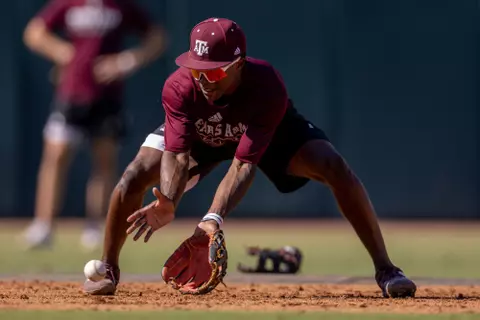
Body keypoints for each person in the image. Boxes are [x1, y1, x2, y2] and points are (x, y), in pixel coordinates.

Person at [83, 17, 417, 298]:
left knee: (334, 166)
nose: (202, 80)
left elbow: (243, 164)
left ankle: (386, 269)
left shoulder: (266, 86)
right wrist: (169, 200)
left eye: (213, 72)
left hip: (265, 130)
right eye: (196, 69)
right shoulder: (180, 87)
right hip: (203, 135)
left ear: (239, 65)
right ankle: (108, 268)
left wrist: (212, 220)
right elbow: (177, 153)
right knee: (133, 176)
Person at [21, 0, 166, 251]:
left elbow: (157, 38)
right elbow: (34, 32)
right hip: (71, 95)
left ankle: (94, 227)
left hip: (107, 97)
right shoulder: (68, 3)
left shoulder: (120, 6)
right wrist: (62, 52)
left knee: (104, 161)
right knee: (55, 157)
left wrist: (127, 61)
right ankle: (43, 226)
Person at [237, 246, 303, 274]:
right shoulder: (283, 254)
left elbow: (293, 261)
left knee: (274, 255)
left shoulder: (291, 257)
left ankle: (260, 268)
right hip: (288, 265)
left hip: (291, 266)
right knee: (273, 255)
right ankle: (260, 268)